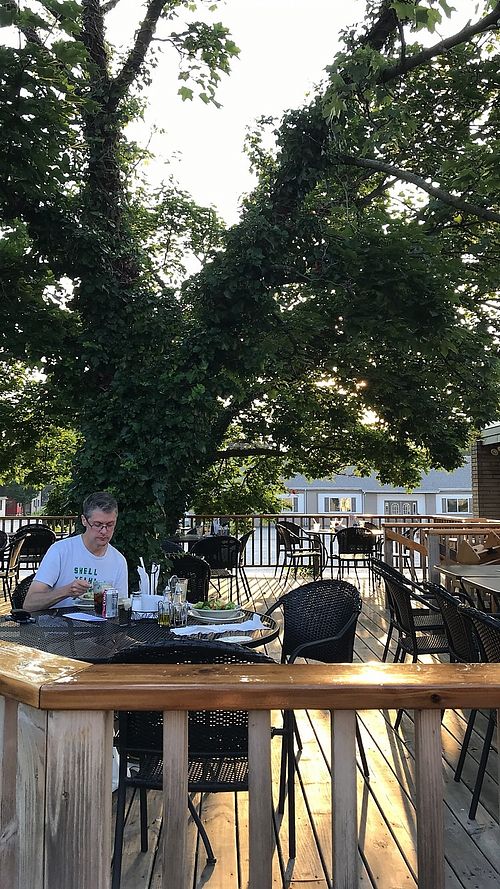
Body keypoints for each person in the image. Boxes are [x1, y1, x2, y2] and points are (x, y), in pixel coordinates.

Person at [23, 491, 128, 611]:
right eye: (97, 524)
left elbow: (121, 607)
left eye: (110, 525)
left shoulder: (118, 561)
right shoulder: (60, 551)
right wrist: (66, 591)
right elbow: (29, 604)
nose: (104, 531)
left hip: (101, 626)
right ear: (84, 521)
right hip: (56, 625)